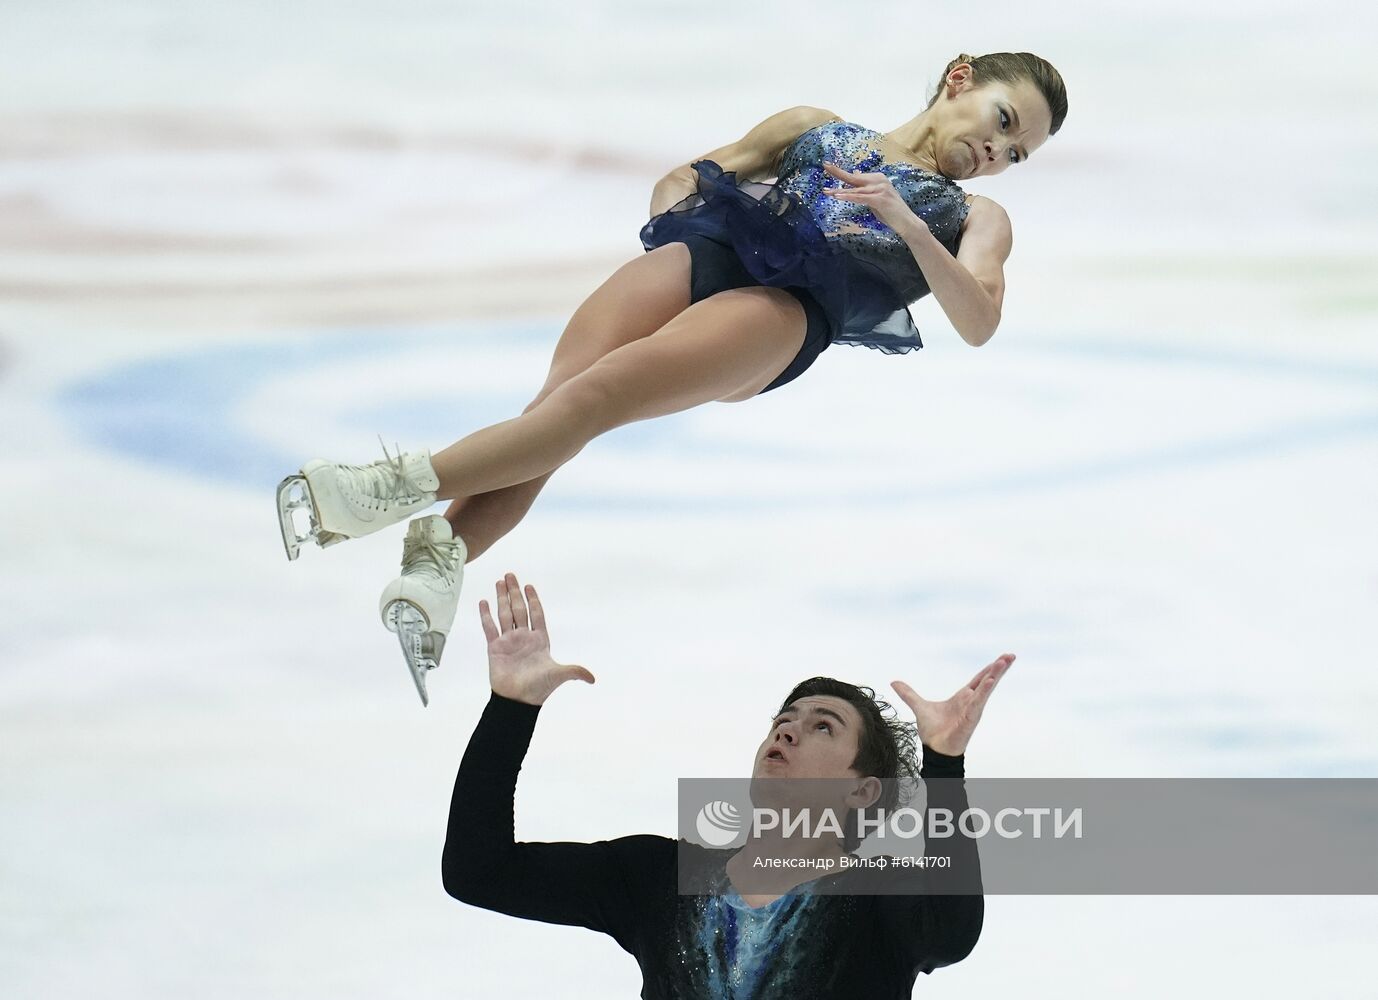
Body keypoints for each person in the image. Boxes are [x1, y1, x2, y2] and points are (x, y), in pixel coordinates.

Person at [274, 51, 1065, 701]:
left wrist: (907, 224)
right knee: (555, 405)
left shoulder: (976, 218)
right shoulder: (815, 127)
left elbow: (978, 319)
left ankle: (383, 488)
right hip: (712, 253)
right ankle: (431, 570)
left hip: (787, 309)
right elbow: (696, 172)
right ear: (960, 79)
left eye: (1017, 152)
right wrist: (676, 212)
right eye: (1004, 121)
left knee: (594, 399)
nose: (999, 152)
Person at [441, 572, 1015, 997]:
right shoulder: (659, 879)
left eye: (822, 726)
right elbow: (479, 872)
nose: (789, 729)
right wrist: (511, 707)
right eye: (784, 719)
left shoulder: (877, 897)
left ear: (862, 790)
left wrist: (943, 764)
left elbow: (950, 932)